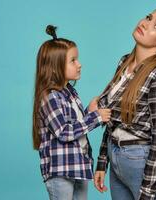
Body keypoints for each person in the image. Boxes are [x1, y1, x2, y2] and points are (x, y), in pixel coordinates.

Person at [94, 7, 156, 200]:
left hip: (142, 162)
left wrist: (147, 192)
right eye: (149, 17)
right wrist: (102, 162)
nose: (145, 23)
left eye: (155, 26)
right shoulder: (124, 63)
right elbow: (113, 119)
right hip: (117, 157)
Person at [32, 25, 111, 200]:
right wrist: (96, 117)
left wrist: (88, 112)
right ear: (55, 67)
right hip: (60, 169)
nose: (79, 64)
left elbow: (71, 123)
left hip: (78, 164)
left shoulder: (69, 91)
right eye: (73, 60)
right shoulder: (50, 96)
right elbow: (64, 132)